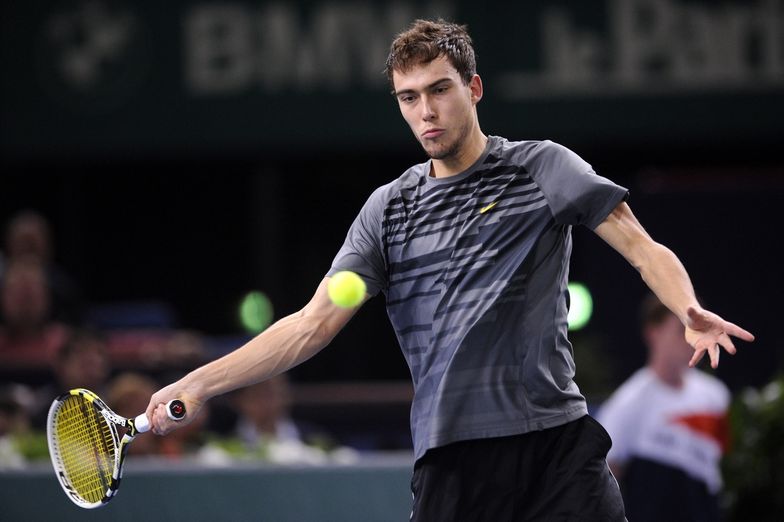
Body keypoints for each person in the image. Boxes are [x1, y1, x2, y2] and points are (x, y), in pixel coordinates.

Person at [145, 19, 754, 520]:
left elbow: (643, 248)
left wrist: (687, 308)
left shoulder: (541, 168)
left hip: (556, 447)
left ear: (474, 88)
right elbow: (310, 326)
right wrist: (198, 383)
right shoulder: (386, 211)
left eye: (440, 90)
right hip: (453, 460)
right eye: (409, 98)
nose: (425, 111)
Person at [597, 294, 731, 522]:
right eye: (682, 330)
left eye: (697, 331)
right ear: (653, 332)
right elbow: (606, 478)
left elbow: (720, 469)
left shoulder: (715, 397)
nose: (691, 339)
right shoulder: (627, 404)